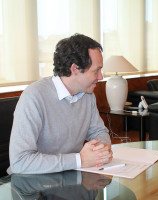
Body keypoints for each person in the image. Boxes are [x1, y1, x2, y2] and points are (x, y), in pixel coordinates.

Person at [9, 33, 112, 174]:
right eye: (96, 70)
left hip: (69, 176)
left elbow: (98, 131)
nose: (101, 76)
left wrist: (100, 150)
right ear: (75, 69)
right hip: (32, 186)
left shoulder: (88, 95)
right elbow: (20, 162)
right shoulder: (34, 97)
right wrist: (80, 159)